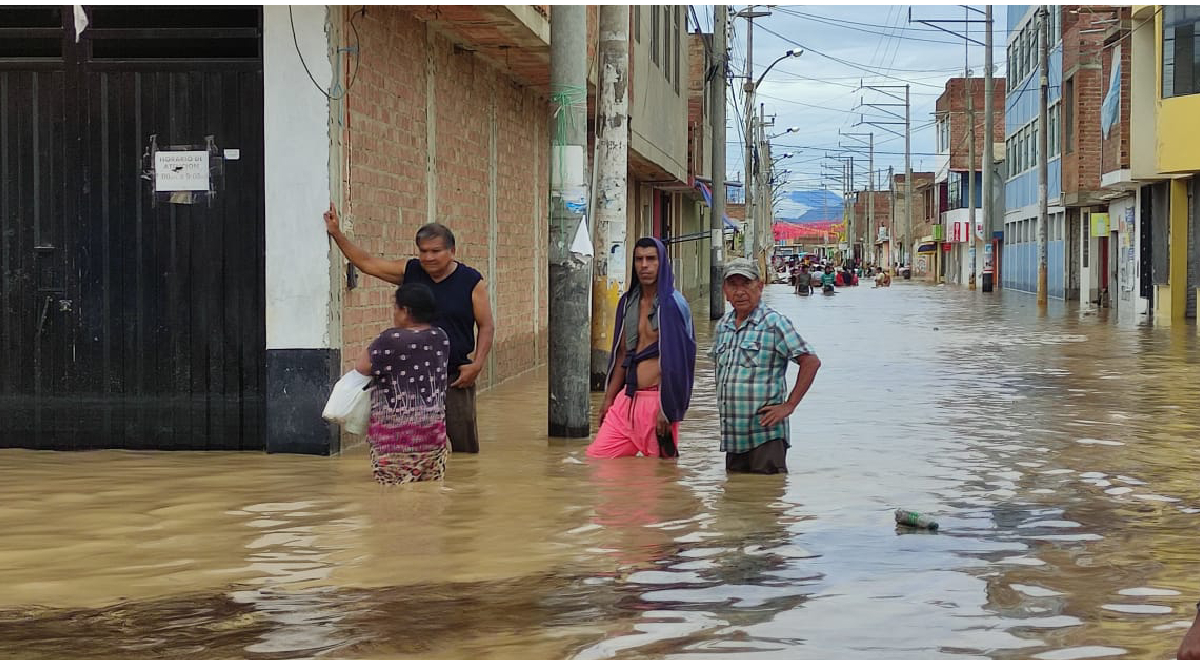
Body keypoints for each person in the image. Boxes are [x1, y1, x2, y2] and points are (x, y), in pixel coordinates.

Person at [325, 205, 494, 454]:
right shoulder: (411, 271)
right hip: (410, 379)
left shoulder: (471, 281)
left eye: (436, 251)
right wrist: (337, 233)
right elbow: (368, 264)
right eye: (423, 251)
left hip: (455, 375)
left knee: (463, 448)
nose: (428, 257)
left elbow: (486, 325)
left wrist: (477, 364)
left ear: (452, 251)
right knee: (413, 444)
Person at [587, 237, 697, 459]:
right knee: (597, 461)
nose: (644, 265)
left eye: (651, 259)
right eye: (639, 259)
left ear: (662, 263)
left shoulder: (674, 305)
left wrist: (668, 409)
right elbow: (622, 354)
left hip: (658, 403)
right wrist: (608, 399)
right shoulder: (628, 302)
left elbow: (680, 363)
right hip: (626, 400)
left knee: (658, 481)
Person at [712, 259, 821, 474]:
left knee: (768, 499)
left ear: (760, 287)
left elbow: (810, 361)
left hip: (765, 436)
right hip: (733, 437)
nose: (740, 291)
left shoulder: (774, 323)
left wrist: (789, 405)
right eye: (733, 285)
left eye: (746, 284)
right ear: (724, 290)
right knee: (736, 500)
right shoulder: (723, 325)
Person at [353, 284, 450, 485]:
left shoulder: (390, 339)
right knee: (429, 496)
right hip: (433, 437)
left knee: (392, 502)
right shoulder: (441, 337)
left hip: (394, 441)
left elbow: (362, 367)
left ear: (405, 311)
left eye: (395, 308)